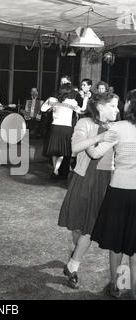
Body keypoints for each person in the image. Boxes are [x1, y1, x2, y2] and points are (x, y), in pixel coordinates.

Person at [58, 92, 119, 289]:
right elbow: (75, 147)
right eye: (113, 106)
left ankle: (73, 265)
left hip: (105, 180)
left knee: (90, 227)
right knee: (78, 226)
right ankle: (74, 256)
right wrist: (101, 136)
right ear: (101, 107)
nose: (117, 110)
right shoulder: (84, 123)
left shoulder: (117, 128)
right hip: (84, 178)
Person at [90, 90, 136, 299]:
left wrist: (92, 137)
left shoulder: (118, 128)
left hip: (118, 190)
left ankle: (115, 286)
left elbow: (95, 153)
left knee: (116, 243)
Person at [41, 83, 82, 178]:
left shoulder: (52, 100)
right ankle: (56, 169)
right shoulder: (72, 102)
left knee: (54, 150)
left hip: (55, 127)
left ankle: (55, 170)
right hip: (66, 128)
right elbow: (81, 111)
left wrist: (52, 107)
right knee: (62, 151)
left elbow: (43, 109)